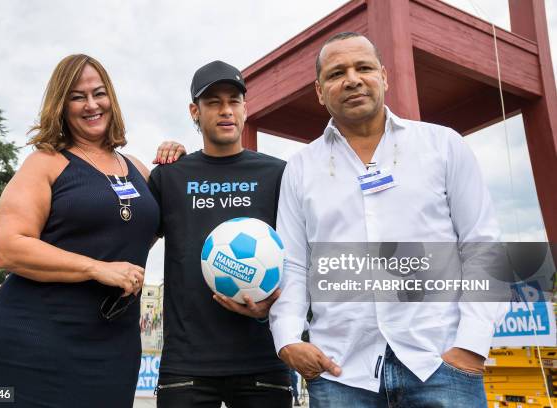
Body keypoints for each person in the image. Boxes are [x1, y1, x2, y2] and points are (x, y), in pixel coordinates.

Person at [270, 32, 508, 408]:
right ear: (319, 90)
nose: (351, 79)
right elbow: (295, 263)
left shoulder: (443, 146)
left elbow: (482, 245)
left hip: (440, 364)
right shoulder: (301, 168)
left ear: (384, 76)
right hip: (340, 371)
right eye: (336, 74)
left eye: (363, 68)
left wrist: (471, 345)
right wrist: (288, 340)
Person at [0, 54, 181, 408]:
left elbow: (150, 227)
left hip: (114, 342)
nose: (91, 105)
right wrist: (97, 267)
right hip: (36, 339)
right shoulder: (45, 163)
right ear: (62, 105)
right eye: (78, 96)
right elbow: (8, 247)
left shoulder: (136, 168)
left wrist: (178, 162)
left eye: (99, 93)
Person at [149, 60, 292, 407]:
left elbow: (301, 259)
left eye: (234, 101)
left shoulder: (280, 174)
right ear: (194, 111)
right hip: (187, 365)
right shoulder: (169, 178)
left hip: (263, 359)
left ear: (246, 107)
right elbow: (127, 242)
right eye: (213, 102)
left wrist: (274, 306)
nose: (226, 110)